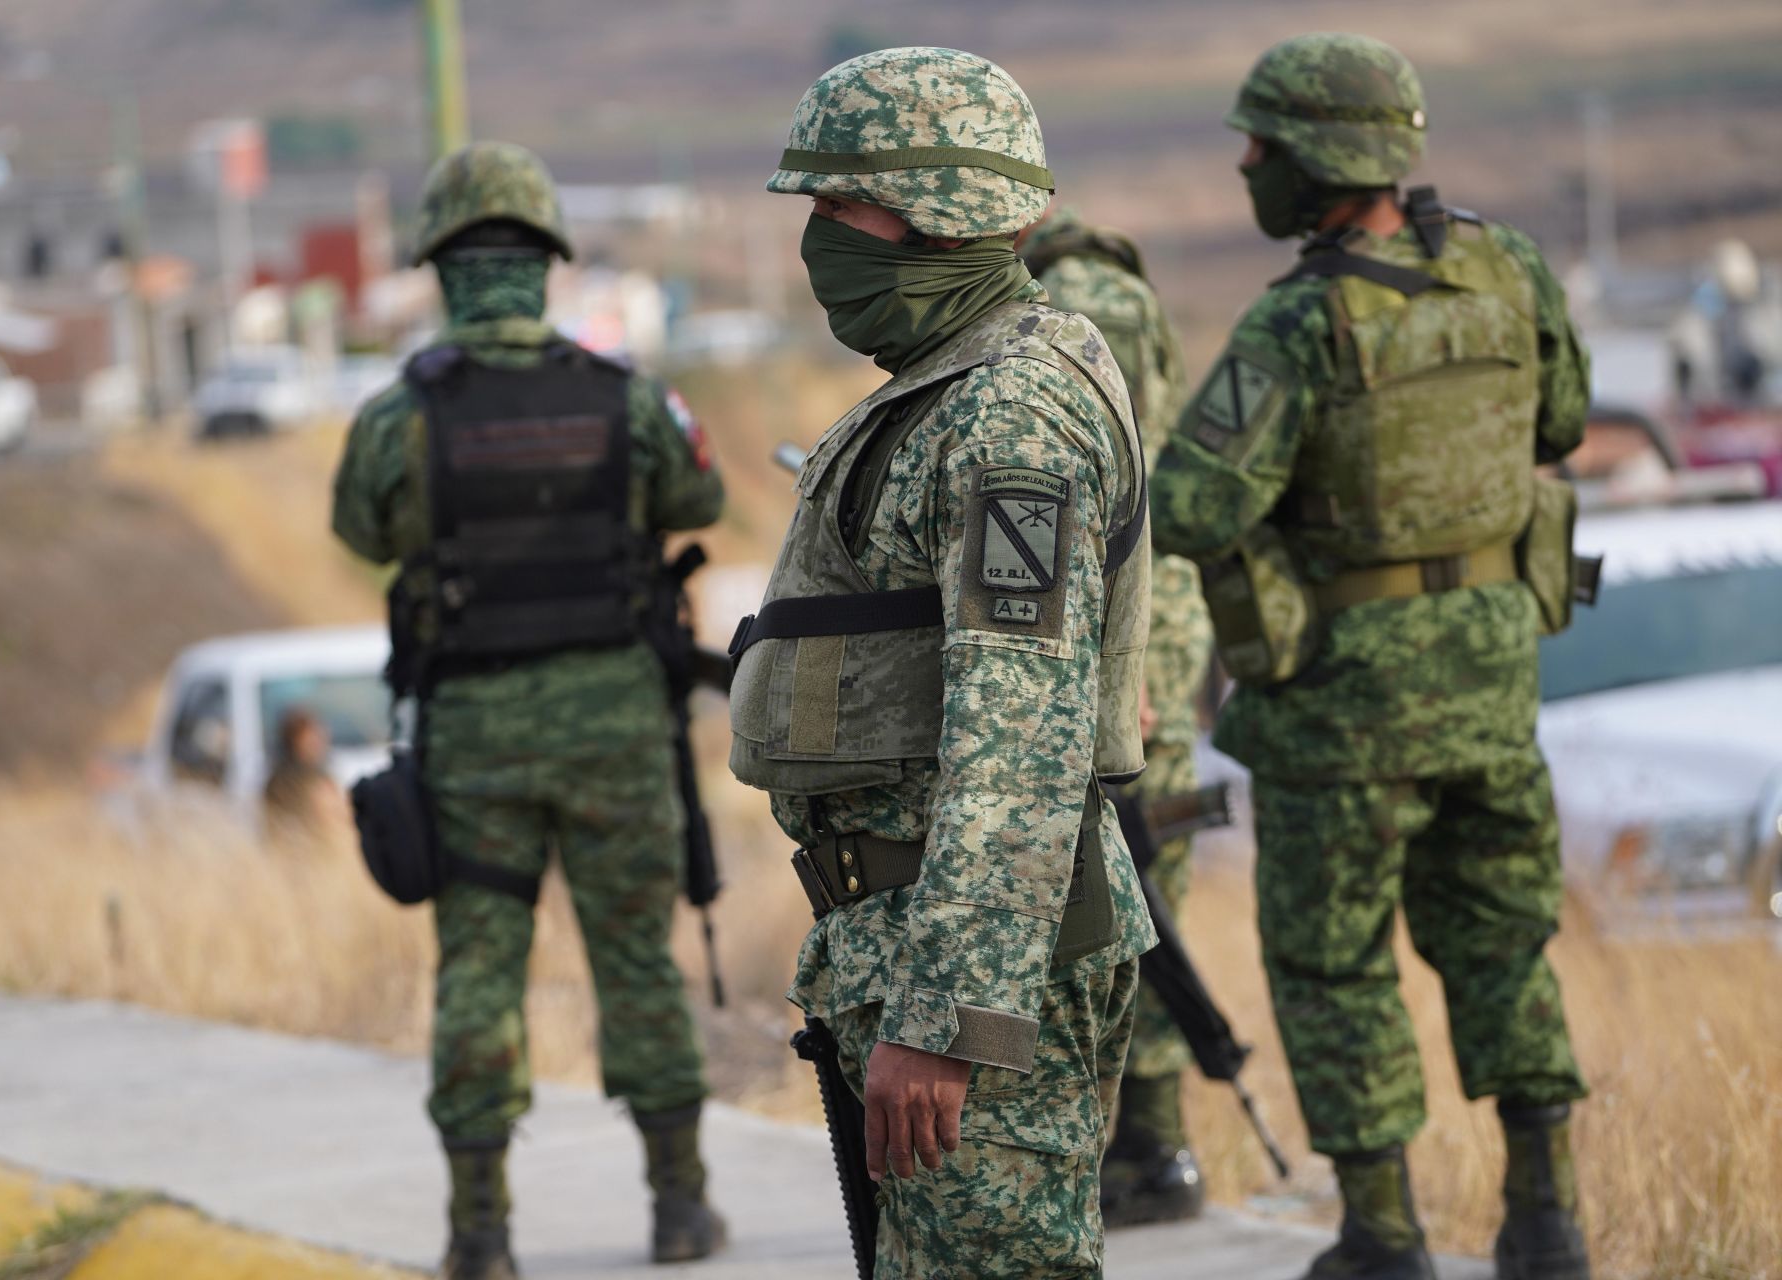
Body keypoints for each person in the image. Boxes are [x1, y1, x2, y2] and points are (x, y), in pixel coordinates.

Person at [1147, 33, 1592, 1280]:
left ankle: (1384, 1237)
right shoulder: (1510, 271)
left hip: (1342, 711)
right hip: (1495, 688)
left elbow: (1190, 508)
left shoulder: (1296, 320)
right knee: (1505, 941)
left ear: (1317, 156)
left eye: (1261, 145)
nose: (1247, 166)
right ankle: (1549, 1222)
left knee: (1335, 963)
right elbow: (1560, 420)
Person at [729, 46, 1157, 1277]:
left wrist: (952, 1019)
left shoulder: (1009, 408)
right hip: (908, 936)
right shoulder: (944, 385)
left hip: (971, 965)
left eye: (836, 205)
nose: (818, 240)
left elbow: (1019, 733)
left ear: (936, 208)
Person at [331, 141, 727, 1280]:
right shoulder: (629, 398)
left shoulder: (399, 415)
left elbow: (364, 533)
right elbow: (699, 494)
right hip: (615, 725)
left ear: (442, 268)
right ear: (548, 263)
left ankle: (481, 1232)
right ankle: (681, 1209)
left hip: (475, 740)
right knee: (638, 962)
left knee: (478, 971)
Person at [1018, 204, 1215, 1225]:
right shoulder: (1128, 295)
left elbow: (1094, 478)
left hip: (1116, 619)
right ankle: (1153, 1143)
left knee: (1116, 897)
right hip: (1155, 620)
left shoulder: (1074, 301)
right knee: (1147, 886)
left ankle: (1143, 1146)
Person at [262, 706, 348, 841]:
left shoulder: (277, 777)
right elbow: (331, 818)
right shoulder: (294, 780)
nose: (318, 742)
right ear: (295, 741)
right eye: (311, 739)